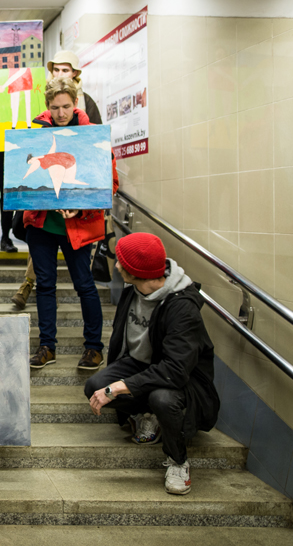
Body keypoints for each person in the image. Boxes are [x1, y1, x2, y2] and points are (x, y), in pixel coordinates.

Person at [84, 232, 220, 495]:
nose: (116, 264)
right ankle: (148, 417)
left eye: (121, 262)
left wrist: (119, 388)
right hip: (139, 364)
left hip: (180, 379)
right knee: (95, 385)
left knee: (162, 399)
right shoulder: (132, 289)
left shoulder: (182, 307)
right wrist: (114, 383)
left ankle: (178, 461)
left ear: (137, 273)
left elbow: (175, 370)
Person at [23, 77, 117, 372]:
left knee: (85, 285)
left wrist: (80, 207)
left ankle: (93, 348)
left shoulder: (92, 135)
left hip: (79, 225)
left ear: (75, 103)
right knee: (45, 285)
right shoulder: (35, 135)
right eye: (55, 107)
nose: (61, 113)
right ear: (47, 107)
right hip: (42, 225)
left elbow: (109, 182)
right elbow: (23, 178)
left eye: (66, 106)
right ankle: (46, 346)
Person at [48, 50, 102, 124]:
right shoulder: (41, 96)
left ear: (74, 73)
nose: (60, 74)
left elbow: (98, 131)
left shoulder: (86, 100)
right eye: (56, 70)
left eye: (65, 70)